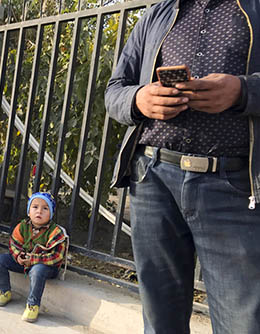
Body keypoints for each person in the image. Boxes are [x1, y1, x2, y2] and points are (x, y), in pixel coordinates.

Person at [105, 1, 260, 333]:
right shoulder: (157, 14)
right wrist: (138, 99)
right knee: (160, 321)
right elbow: (114, 90)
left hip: (234, 186)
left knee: (242, 323)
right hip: (153, 180)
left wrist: (242, 91)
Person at [0, 192, 68, 323]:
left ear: (51, 214)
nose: (39, 211)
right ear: (28, 211)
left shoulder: (56, 232)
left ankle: (33, 305)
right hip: (24, 262)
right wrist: (18, 257)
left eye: (45, 208)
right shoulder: (22, 226)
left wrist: (33, 260)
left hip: (46, 267)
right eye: (35, 207)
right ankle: (5, 291)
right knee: (0, 260)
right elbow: (13, 244)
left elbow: (57, 256)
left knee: (37, 270)